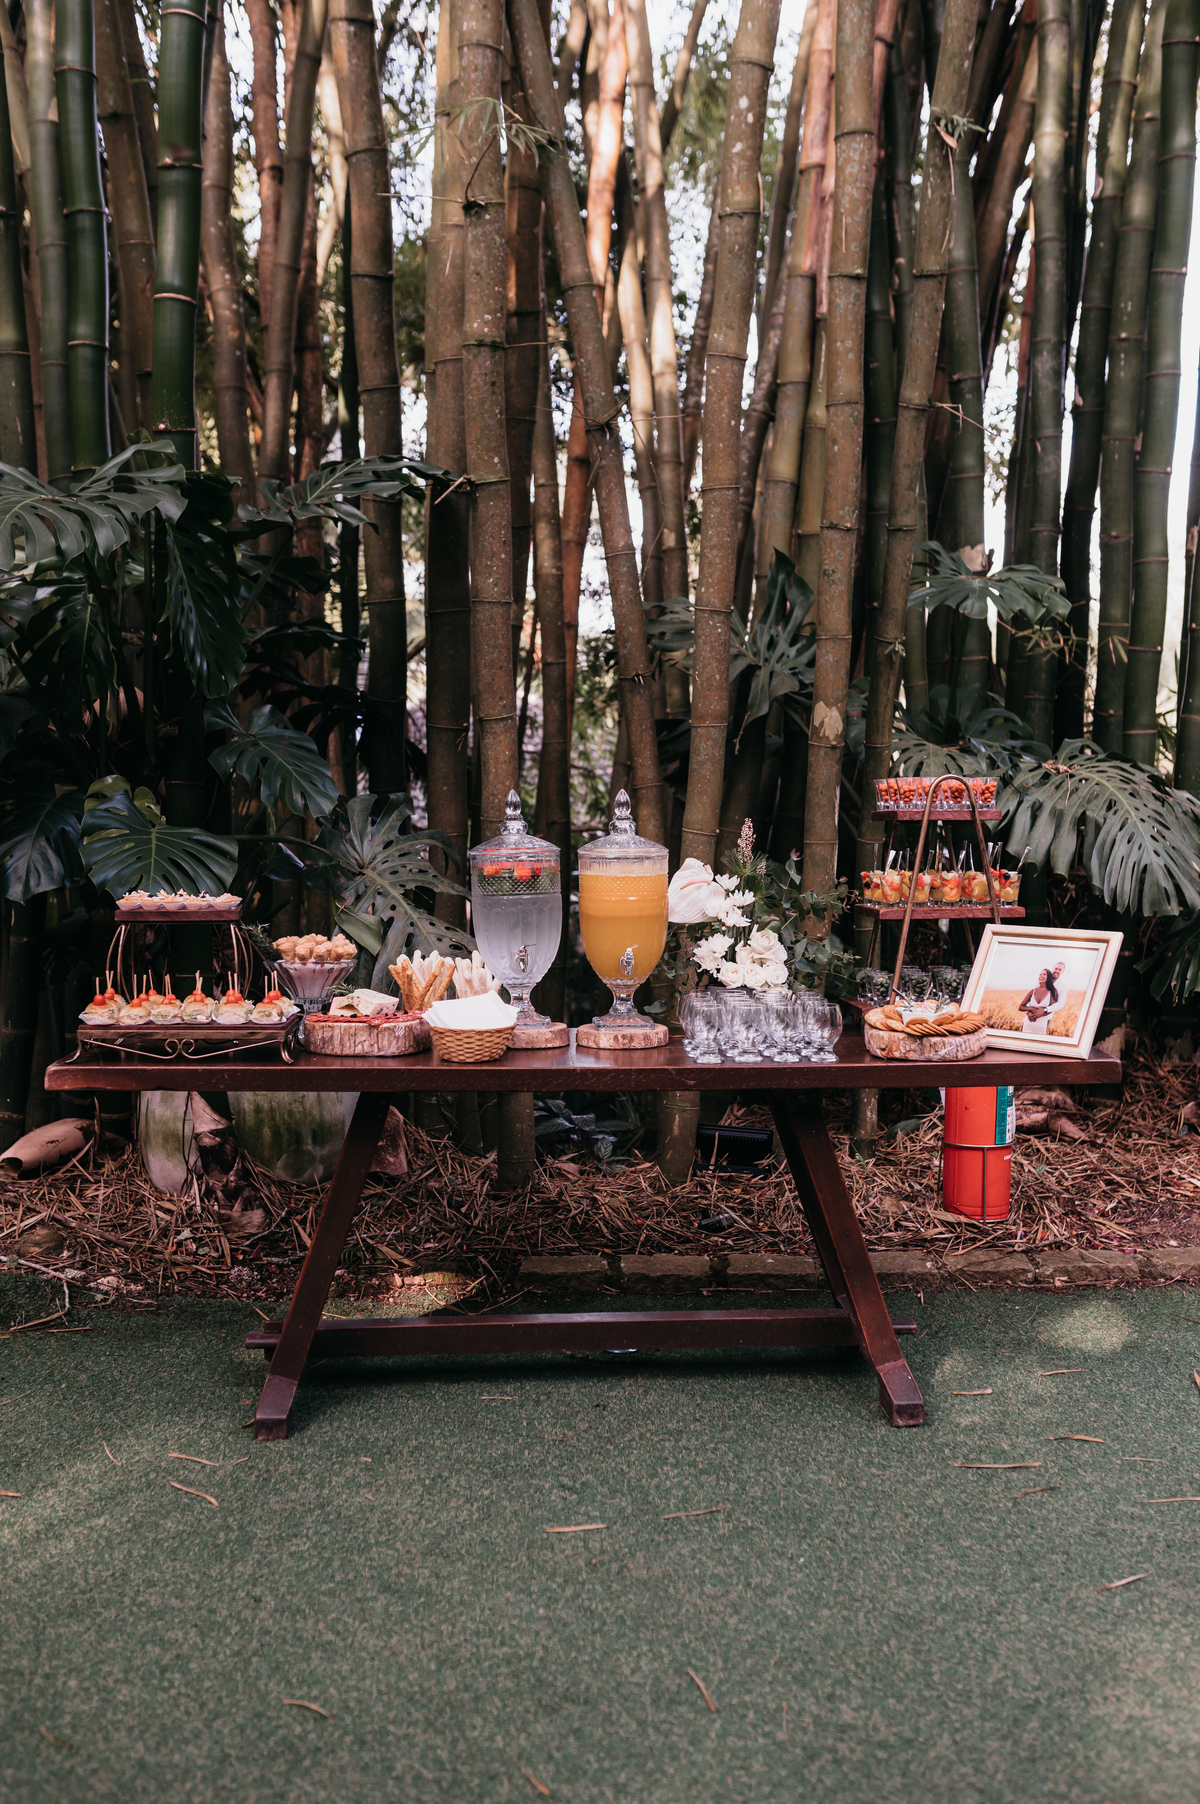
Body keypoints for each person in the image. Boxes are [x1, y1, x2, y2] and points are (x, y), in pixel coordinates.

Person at [1018, 965, 1062, 1036]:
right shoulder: (1033, 991)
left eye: (1044, 974)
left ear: (1048, 978)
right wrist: (1030, 1010)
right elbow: (1021, 1007)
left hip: (1041, 1024)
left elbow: (1052, 1009)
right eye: (1040, 974)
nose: (1041, 976)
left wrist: (1040, 1014)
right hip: (1028, 1022)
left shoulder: (1052, 992)